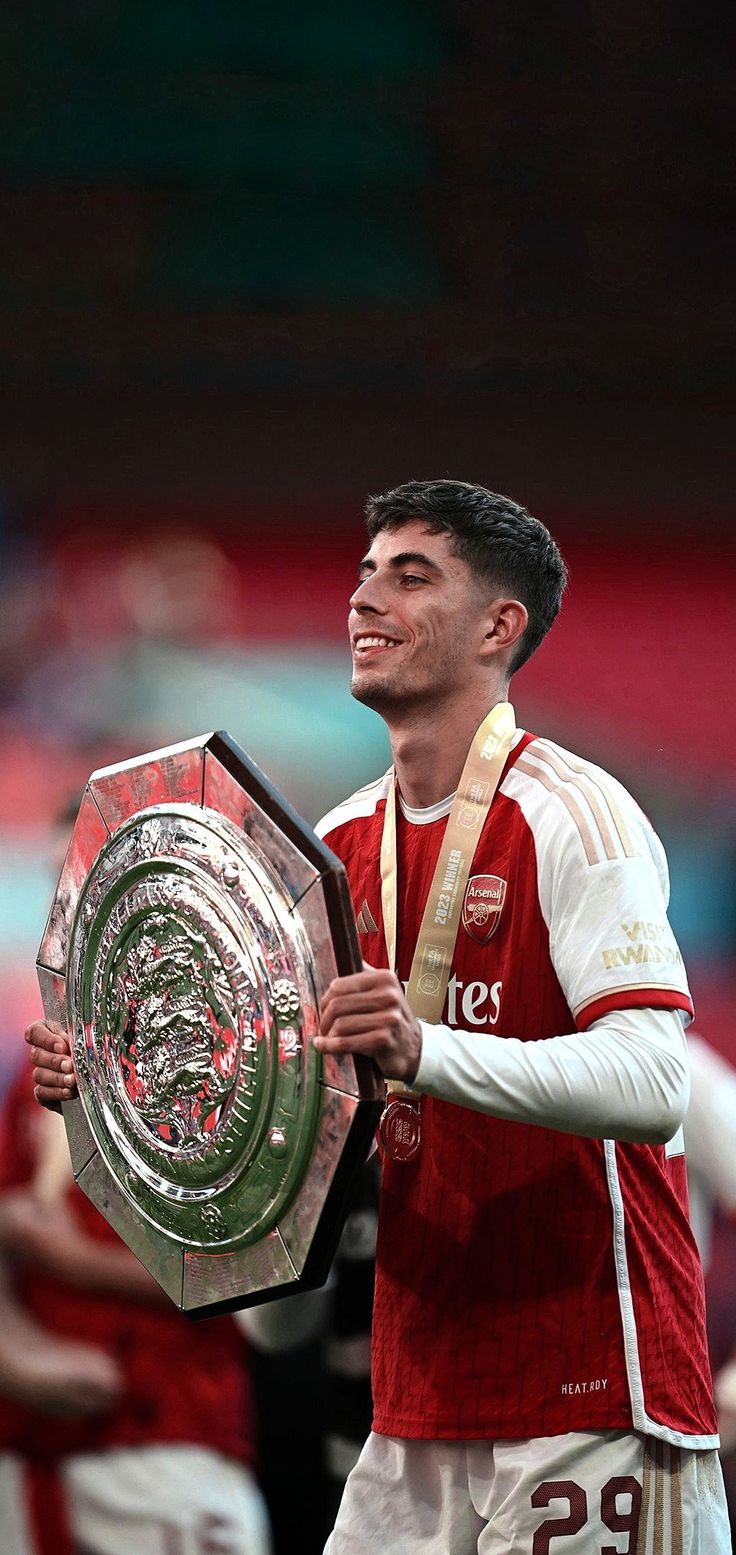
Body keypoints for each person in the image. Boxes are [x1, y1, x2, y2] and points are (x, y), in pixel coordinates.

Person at [28, 480, 730, 1552]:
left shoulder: (572, 811)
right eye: (364, 574)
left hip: (589, 1395)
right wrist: (124, 1123)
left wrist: (423, 1048)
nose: (366, 600)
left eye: (411, 577)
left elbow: (650, 1081)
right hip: (412, 1417)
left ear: (499, 626)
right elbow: (278, 1288)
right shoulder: (324, 853)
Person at [0, 1057, 272, 1555]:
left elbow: (251, 1273)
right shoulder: (41, 1061)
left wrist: (77, 1261)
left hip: (170, 1431)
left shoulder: (228, 1060)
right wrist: (16, 1354)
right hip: (29, 1440)